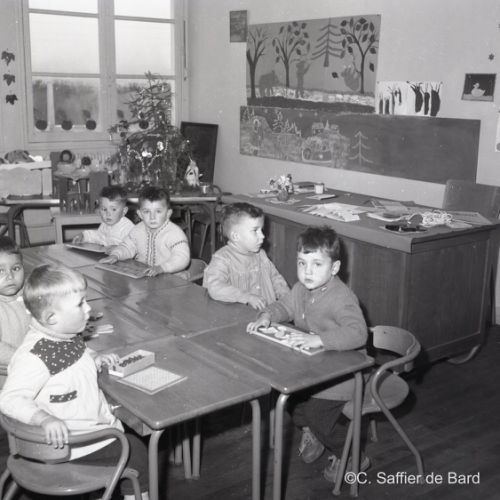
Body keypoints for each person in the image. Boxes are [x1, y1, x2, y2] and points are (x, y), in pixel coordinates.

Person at [0, 265, 149, 499]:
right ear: (52, 318)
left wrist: (94, 357)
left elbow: (75, 350)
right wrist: (44, 419)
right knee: (136, 451)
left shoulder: (60, 336)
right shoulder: (35, 357)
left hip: (79, 433)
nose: (88, 308)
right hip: (73, 444)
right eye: (80, 304)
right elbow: (9, 399)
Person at [247, 226, 369, 482]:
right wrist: (268, 315)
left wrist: (320, 339)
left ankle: (351, 454)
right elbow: (285, 306)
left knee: (316, 414)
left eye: (317, 264)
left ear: (334, 268)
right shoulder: (301, 289)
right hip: (316, 368)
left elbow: (359, 333)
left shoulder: (342, 298)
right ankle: (313, 431)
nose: (308, 271)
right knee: (287, 396)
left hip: (345, 374)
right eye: (302, 263)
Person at [203, 202, 289, 310]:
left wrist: (287, 298)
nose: (262, 236)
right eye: (255, 231)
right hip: (239, 316)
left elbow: (276, 278)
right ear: (236, 236)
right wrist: (246, 297)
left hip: (268, 313)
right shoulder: (222, 259)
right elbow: (214, 287)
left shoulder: (261, 255)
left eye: (261, 230)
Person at [99, 186, 190, 277]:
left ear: (168, 213)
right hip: (146, 276)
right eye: (146, 212)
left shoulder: (174, 233)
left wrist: (162, 268)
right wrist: (115, 255)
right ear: (140, 214)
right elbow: (127, 247)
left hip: (172, 277)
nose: (152, 217)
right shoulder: (137, 230)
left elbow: (182, 257)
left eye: (158, 211)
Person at [0, 236, 31, 374]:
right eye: (0, 271)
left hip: (34, 366)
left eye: (16, 268)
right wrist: (28, 359)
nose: (10, 276)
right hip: (7, 377)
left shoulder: (30, 292)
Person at [72, 185, 134, 252]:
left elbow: (135, 247)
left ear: (124, 211)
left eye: (113, 209)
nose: (108, 214)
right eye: (104, 209)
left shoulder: (129, 228)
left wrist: (120, 248)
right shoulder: (104, 225)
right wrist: (83, 236)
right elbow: (98, 237)